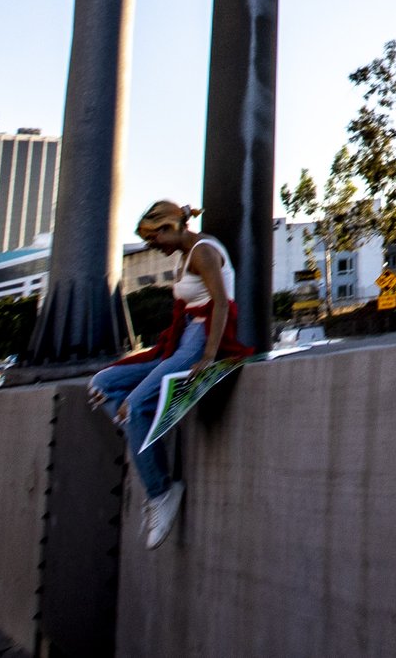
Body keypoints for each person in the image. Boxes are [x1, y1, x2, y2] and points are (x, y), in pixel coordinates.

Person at [88, 200, 249, 550]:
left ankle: (161, 491)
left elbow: (222, 303)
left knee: (132, 407)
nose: (152, 247)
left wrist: (208, 356)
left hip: (200, 341)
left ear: (169, 228)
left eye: (153, 239)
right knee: (101, 385)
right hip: (182, 339)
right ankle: (142, 431)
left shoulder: (204, 253)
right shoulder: (185, 254)